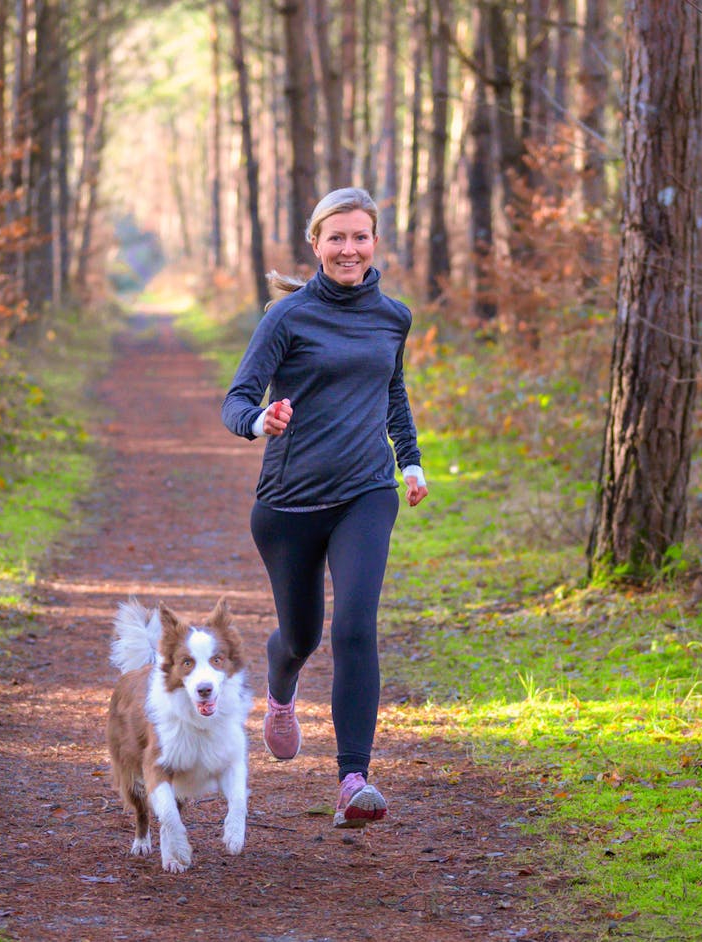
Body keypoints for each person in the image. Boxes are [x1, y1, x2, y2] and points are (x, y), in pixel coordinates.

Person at [220, 187, 427, 828]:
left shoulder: (394, 317)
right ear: (316, 245)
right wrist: (261, 421)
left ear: (374, 243)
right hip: (289, 504)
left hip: (367, 492)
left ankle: (353, 779)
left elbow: (392, 392)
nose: (349, 248)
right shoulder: (286, 319)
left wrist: (409, 462)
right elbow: (237, 399)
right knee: (303, 634)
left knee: (355, 628)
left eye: (360, 236)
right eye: (336, 237)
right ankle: (281, 692)